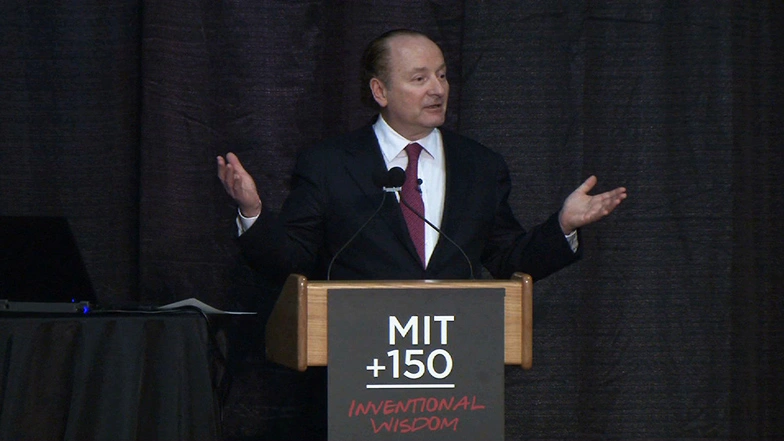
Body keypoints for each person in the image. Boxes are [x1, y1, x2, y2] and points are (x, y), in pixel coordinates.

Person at [217, 29, 626, 284]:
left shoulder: (480, 166)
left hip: (454, 363)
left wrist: (562, 226)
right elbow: (292, 260)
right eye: (419, 78)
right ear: (380, 91)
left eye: (442, 75)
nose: (438, 89)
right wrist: (252, 212)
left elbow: (507, 259)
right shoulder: (328, 164)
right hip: (357, 361)